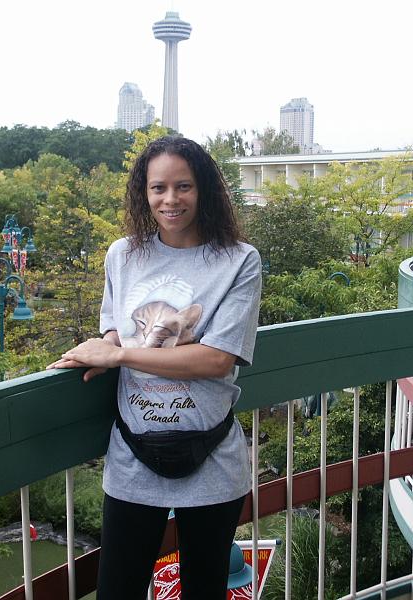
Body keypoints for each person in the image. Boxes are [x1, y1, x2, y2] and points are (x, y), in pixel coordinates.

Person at [47, 136, 262, 600]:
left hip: (212, 460)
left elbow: (216, 358)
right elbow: (114, 328)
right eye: (158, 187)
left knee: (203, 590)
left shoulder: (239, 261)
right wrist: (103, 348)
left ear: (203, 190)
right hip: (131, 456)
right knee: (116, 590)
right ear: (143, 193)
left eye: (183, 186)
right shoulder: (122, 255)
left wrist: (121, 355)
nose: (170, 199)